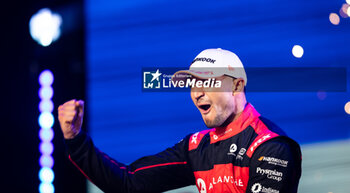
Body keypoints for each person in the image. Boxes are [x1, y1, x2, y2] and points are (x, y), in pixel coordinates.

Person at [58, 48, 302, 193]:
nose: (197, 93)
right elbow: (128, 183)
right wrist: (76, 140)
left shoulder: (271, 146)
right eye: (192, 84)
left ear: (237, 85)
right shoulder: (197, 147)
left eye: (207, 82)